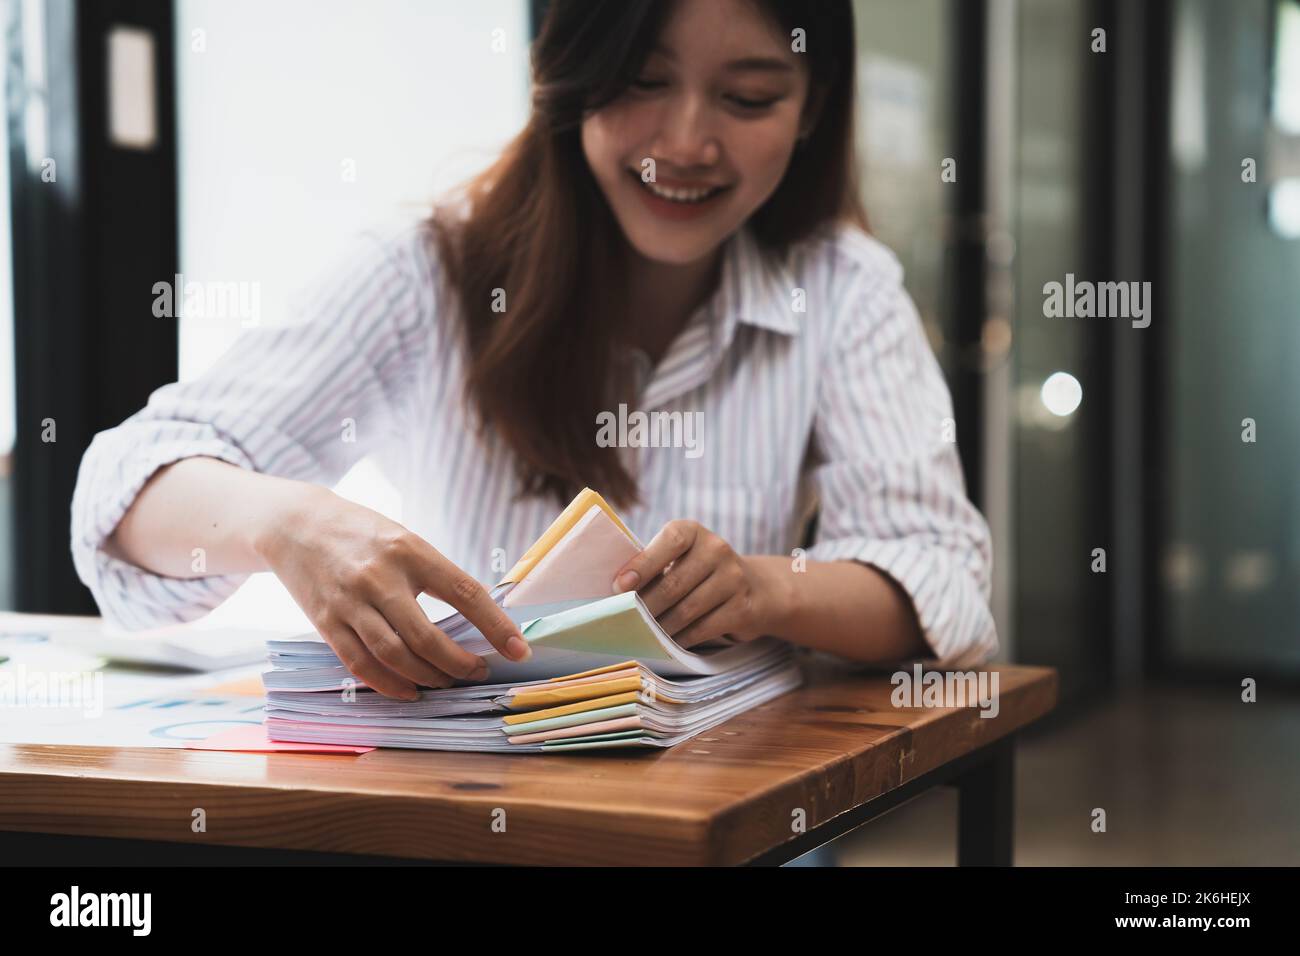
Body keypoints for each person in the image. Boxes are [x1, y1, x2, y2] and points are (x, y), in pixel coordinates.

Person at [72, 0, 996, 702]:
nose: (686, 142)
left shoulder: (843, 287)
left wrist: (765, 589)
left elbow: (942, 579)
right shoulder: (430, 266)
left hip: (736, 798)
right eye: (640, 79)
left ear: (809, 107)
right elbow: (122, 490)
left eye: (748, 97)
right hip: (480, 793)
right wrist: (287, 525)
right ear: (568, 76)